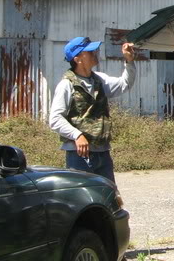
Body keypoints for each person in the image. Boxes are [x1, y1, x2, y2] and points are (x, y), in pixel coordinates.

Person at [49, 36, 136, 183]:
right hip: (79, 154)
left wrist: (129, 61)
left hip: (103, 153)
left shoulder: (99, 80)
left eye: (94, 50)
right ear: (78, 59)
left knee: (108, 195)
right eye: (90, 52)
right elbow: (55, 119)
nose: (95, 53)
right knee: (81, 198)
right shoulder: (66, 85)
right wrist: (77, 135)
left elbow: (125, 84)